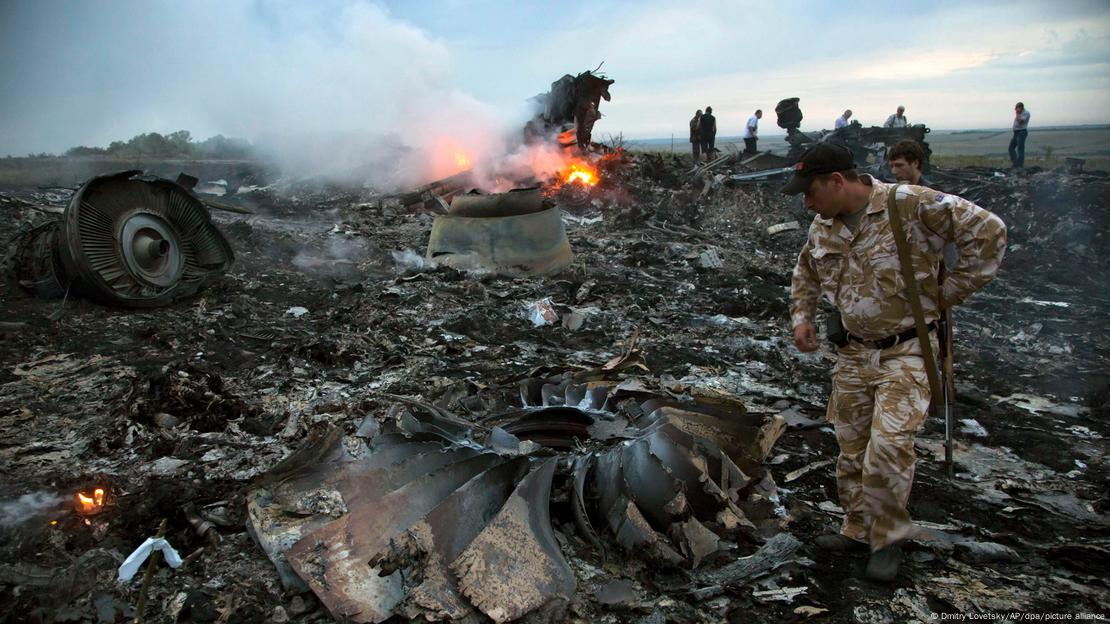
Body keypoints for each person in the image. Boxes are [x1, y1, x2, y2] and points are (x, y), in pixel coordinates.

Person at [784, 144, 1007, 582]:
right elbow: (806, 270)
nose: (806, 202)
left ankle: (887, 539)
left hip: (907, 350)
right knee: (851, 447)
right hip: (852, 352)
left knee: (887, 449)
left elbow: (990, 232)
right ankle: (856, 528)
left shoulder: (910, 204)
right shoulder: (822, 224)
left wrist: (948, 293)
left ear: (837, 182)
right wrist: (802, 317)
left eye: (810, 192)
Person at [1009, 102, 1030, 169]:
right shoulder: (1020, 113)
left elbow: (1020, 121)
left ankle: (1019, 165)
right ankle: (1015, 164)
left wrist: (1017, 114)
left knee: (1020, 149)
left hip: (1021, 132)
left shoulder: (1026, 113)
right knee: (1011, 148)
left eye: (1016, 108)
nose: (1015, 110)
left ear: (1020, 107)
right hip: (1016, 133)